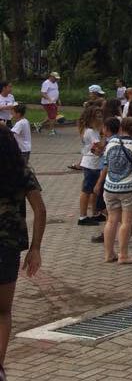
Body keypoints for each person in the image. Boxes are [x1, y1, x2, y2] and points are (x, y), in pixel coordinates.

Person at [0, 125, 45, 376]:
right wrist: (35, 248)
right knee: (3, 311)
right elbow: (41, 209)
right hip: (7, 248)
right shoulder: (22, 171)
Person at [96, 117, 132, 264]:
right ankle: (123, 255)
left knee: (111, 220)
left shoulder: (111, 143)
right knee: (126, 222)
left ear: (121, 128)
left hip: (110, 186)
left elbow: (105, 164)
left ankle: (108, 254)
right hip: (130, 187)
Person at [77, 107, 105, 226]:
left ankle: (95, 213)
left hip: (95, 163)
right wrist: (105, 138)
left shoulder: (95, 131)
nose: (100, 119)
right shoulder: (90, 132)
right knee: (87, 190)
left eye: (101, 116)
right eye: (97, 116)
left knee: (94, 190)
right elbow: (99, 146)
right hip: (90, 164)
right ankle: (83, 217)